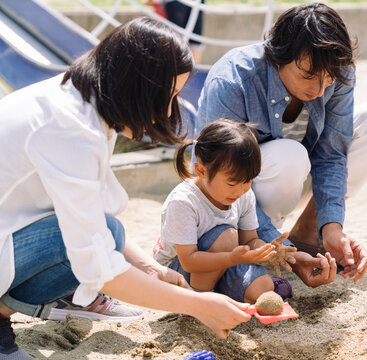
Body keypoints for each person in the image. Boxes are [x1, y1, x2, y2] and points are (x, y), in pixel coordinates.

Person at [0, 17, 251, 360]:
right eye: (166, 97)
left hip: (11, 232)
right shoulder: (69, 128)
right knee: (85, 244)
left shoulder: (86, 104)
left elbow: (99, 216)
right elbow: (96, 261)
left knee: (112, 231)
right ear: (137, 86)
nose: (167, 111)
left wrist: (152, 269)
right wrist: (198, 304)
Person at [195, 3, 367, 288]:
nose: (318, 90)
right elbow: (214, 173)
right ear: (279, 57)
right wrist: (283, 249)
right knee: (290, 156)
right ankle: (268, 238)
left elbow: (332, 155)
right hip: (237, 191)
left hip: (297, 178)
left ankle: (309, 231)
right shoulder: (233, 79)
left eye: (328, 79)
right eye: (308, 75)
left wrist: (333, 228)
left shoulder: (335, 72)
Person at [154, 118, 296, 303]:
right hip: (179, 274)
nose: (240, 190)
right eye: (231, 183)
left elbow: (249, 240)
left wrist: (267, 250)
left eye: (248, 181)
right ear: (201, 171)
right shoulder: (183, 202)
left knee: (263, 287)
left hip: (224, 263)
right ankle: (199, 306)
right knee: (227, 236)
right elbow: (189, 260)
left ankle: (220, 294)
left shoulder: (243, 194)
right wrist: (231, 257)